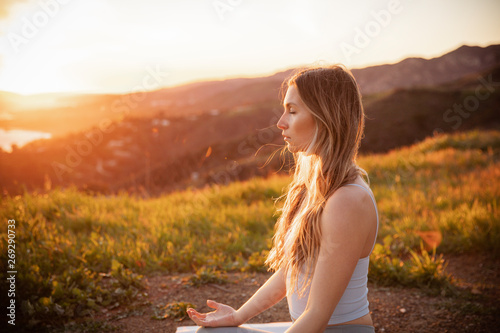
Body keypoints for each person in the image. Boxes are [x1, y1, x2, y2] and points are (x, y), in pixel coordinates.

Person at [186, 65, 379, 333]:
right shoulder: (317, 188)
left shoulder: (347, 201)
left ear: (325, 118)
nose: (280, 122)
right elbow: (293, 270)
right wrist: (238, 316)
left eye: (292, 111)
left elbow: (317, 316)